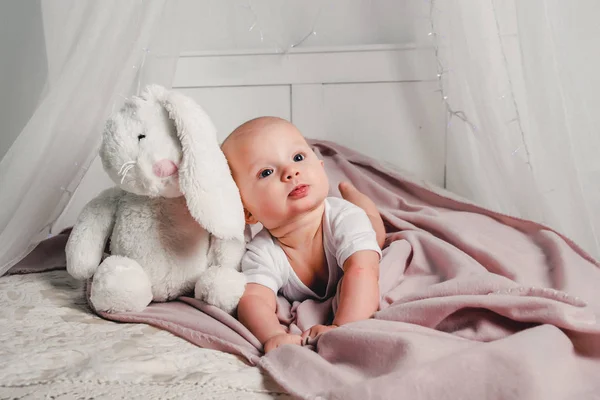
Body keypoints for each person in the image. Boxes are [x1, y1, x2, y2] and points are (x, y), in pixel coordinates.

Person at [221, 117, 386, 353]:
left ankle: (356, 197)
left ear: (320, 166)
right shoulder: (263, 251)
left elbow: (363, 270)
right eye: (266, 172)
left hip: (358, 225)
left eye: (298, 158)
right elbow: (253, 299)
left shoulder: (344, 218)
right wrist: (274, 335)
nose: (291, 171)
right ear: (246, 211)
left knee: (374, 231)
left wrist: (342, 327)